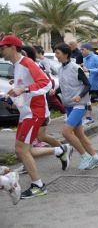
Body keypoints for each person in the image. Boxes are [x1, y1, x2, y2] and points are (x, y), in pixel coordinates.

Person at [0, 35, 72, 199]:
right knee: (23, 151)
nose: (1, 51)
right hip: (26, 112)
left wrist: (23, 90)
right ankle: (59, 150)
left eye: (3, 48)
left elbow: (46, 83)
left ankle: (38, 185)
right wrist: (13, 97)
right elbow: (24, 89)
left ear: (13, 47)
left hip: (33, 113)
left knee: (21, 150)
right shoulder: (17, 65)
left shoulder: (27, 63)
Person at [54, 42, 98, 170]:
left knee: (66, 132)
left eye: (57, 53)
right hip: (69, 105)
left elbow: (87, 85)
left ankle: (85, 156)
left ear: (65, 54)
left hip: (79, 105)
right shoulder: (60, 69)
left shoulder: (76, 67)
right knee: (80, 135)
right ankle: (96, 157)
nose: (56, 55)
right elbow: (65, 85)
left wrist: (80, 96)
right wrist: (55, 91)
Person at [81, 42, 98, 123]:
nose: (81, 51)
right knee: (87, 101)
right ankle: (89, 118)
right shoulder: (84, 59)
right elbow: (85, 70)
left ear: (88, 50)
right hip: (88, 83)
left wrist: (89, 70)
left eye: (83, 50)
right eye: (80, 50)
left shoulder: (96, 58)